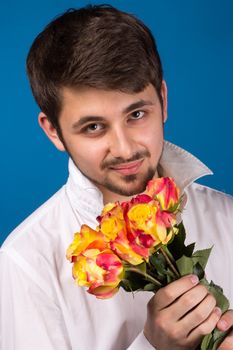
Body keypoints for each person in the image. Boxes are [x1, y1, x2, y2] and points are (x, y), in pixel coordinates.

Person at [0, 4, 233, 350]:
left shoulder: (227, 217)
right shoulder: (26, 264)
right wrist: (152, 347)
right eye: (93, 127)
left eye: (136, 114)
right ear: (53, 131)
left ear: (163, 101)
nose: (124, 149)